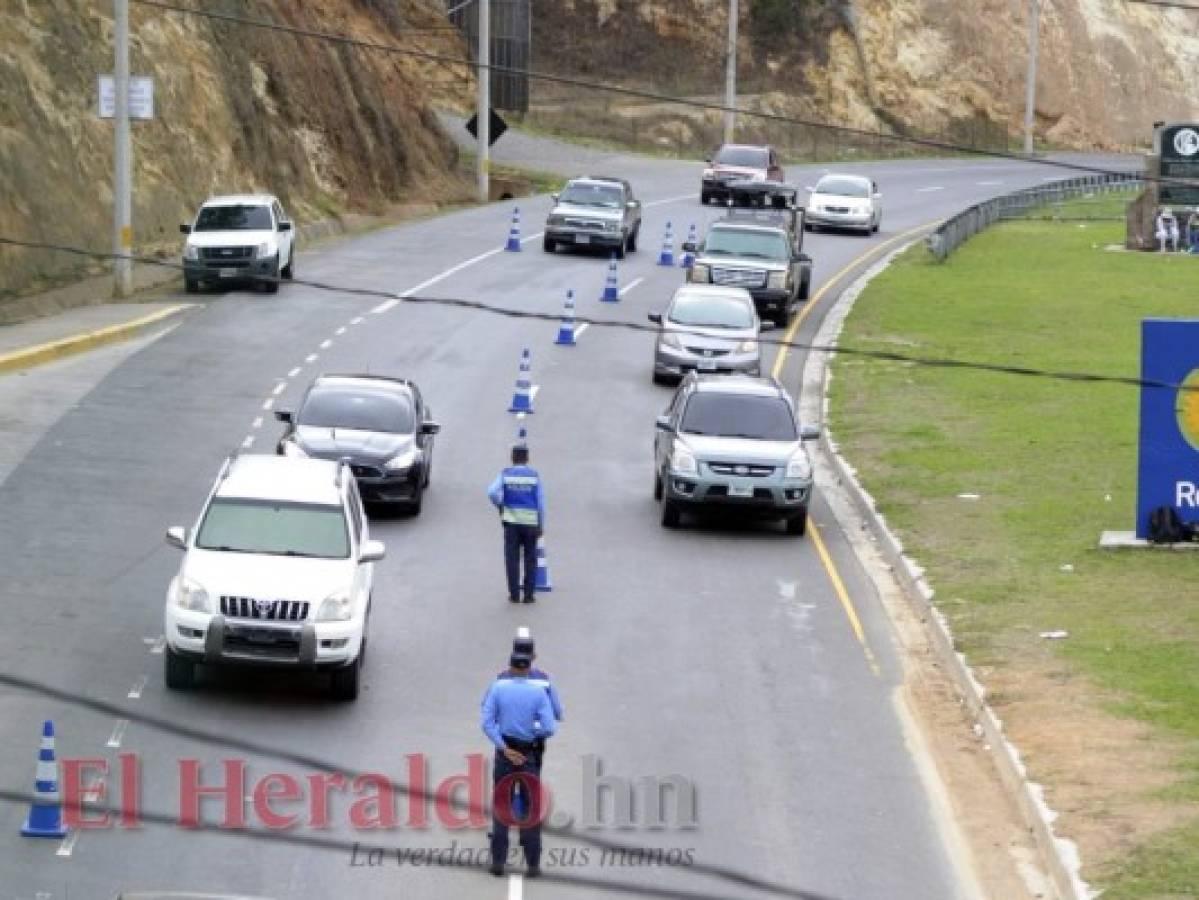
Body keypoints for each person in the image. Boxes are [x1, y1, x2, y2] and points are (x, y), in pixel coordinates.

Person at [481, 653, 558, 878]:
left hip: (505, 753)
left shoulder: (498, 689)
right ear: (528, 668)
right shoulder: (537, 693)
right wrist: (533, 736)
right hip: (528, 754)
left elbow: (486, 723)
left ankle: (498, 863)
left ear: (510, 667)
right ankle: (533, 865)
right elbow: (550, 728)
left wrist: (504, 747)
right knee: (531, 807)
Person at [487, 445, 547, 604]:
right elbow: (540, 504)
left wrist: (501, 505)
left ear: (512, 457)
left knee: (512, 558)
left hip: (512, 523)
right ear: (527, 458)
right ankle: (528, 595)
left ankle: (514, 594)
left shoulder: (505, 474)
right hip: (530, 523)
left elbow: (492, 492)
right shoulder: (534, 476)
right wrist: (541, 524)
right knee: (530, 558)